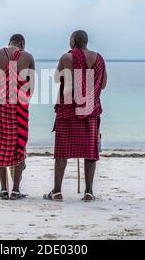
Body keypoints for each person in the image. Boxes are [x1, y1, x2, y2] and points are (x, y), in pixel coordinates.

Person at [44, 30, 107, 202]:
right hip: (90, 110)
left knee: (62, 152)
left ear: (73, 41)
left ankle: (57, 191)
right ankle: (89, 192)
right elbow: (103, 85)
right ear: (86, 41)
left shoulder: (67, 57)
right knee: (90, 152)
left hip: (69, 110)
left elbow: (57, 78)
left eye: (69, 39)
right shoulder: (99, 59)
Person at [0, 34, 35, 200]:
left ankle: (3, 189)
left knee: (0, 143)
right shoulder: (28, 57)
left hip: (0, 106)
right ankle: (16, 190)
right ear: (22, 44)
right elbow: (31, 86)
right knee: (18, 145)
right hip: (19, 107)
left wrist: (0, 89)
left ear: (9, 43)